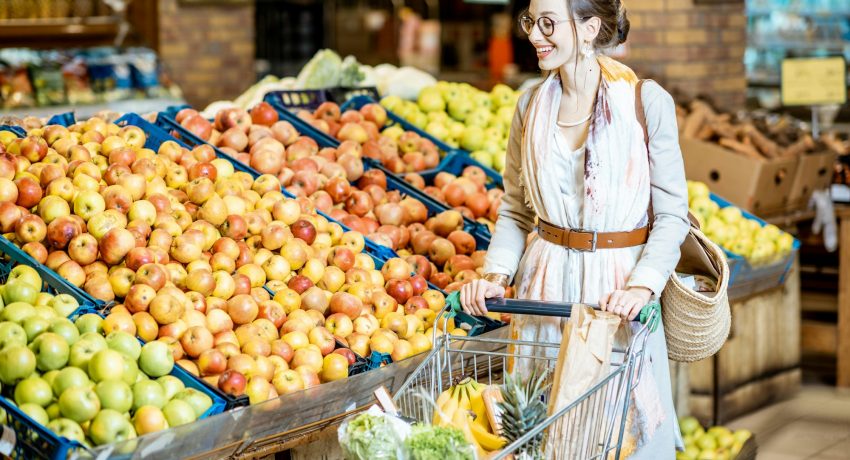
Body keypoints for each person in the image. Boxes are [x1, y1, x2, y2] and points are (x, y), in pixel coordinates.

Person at [458, 0, 690, 457]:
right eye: (530, 22)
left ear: (589, 28)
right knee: (541, 432)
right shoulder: (528, 104)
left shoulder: (645, 102)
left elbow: (672, 215)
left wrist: (642, 287)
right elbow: (516, 209)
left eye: (548, 24)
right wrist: (495, 275)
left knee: (619, 433)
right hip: (545, 292)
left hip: (617, 293)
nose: (534, 35)